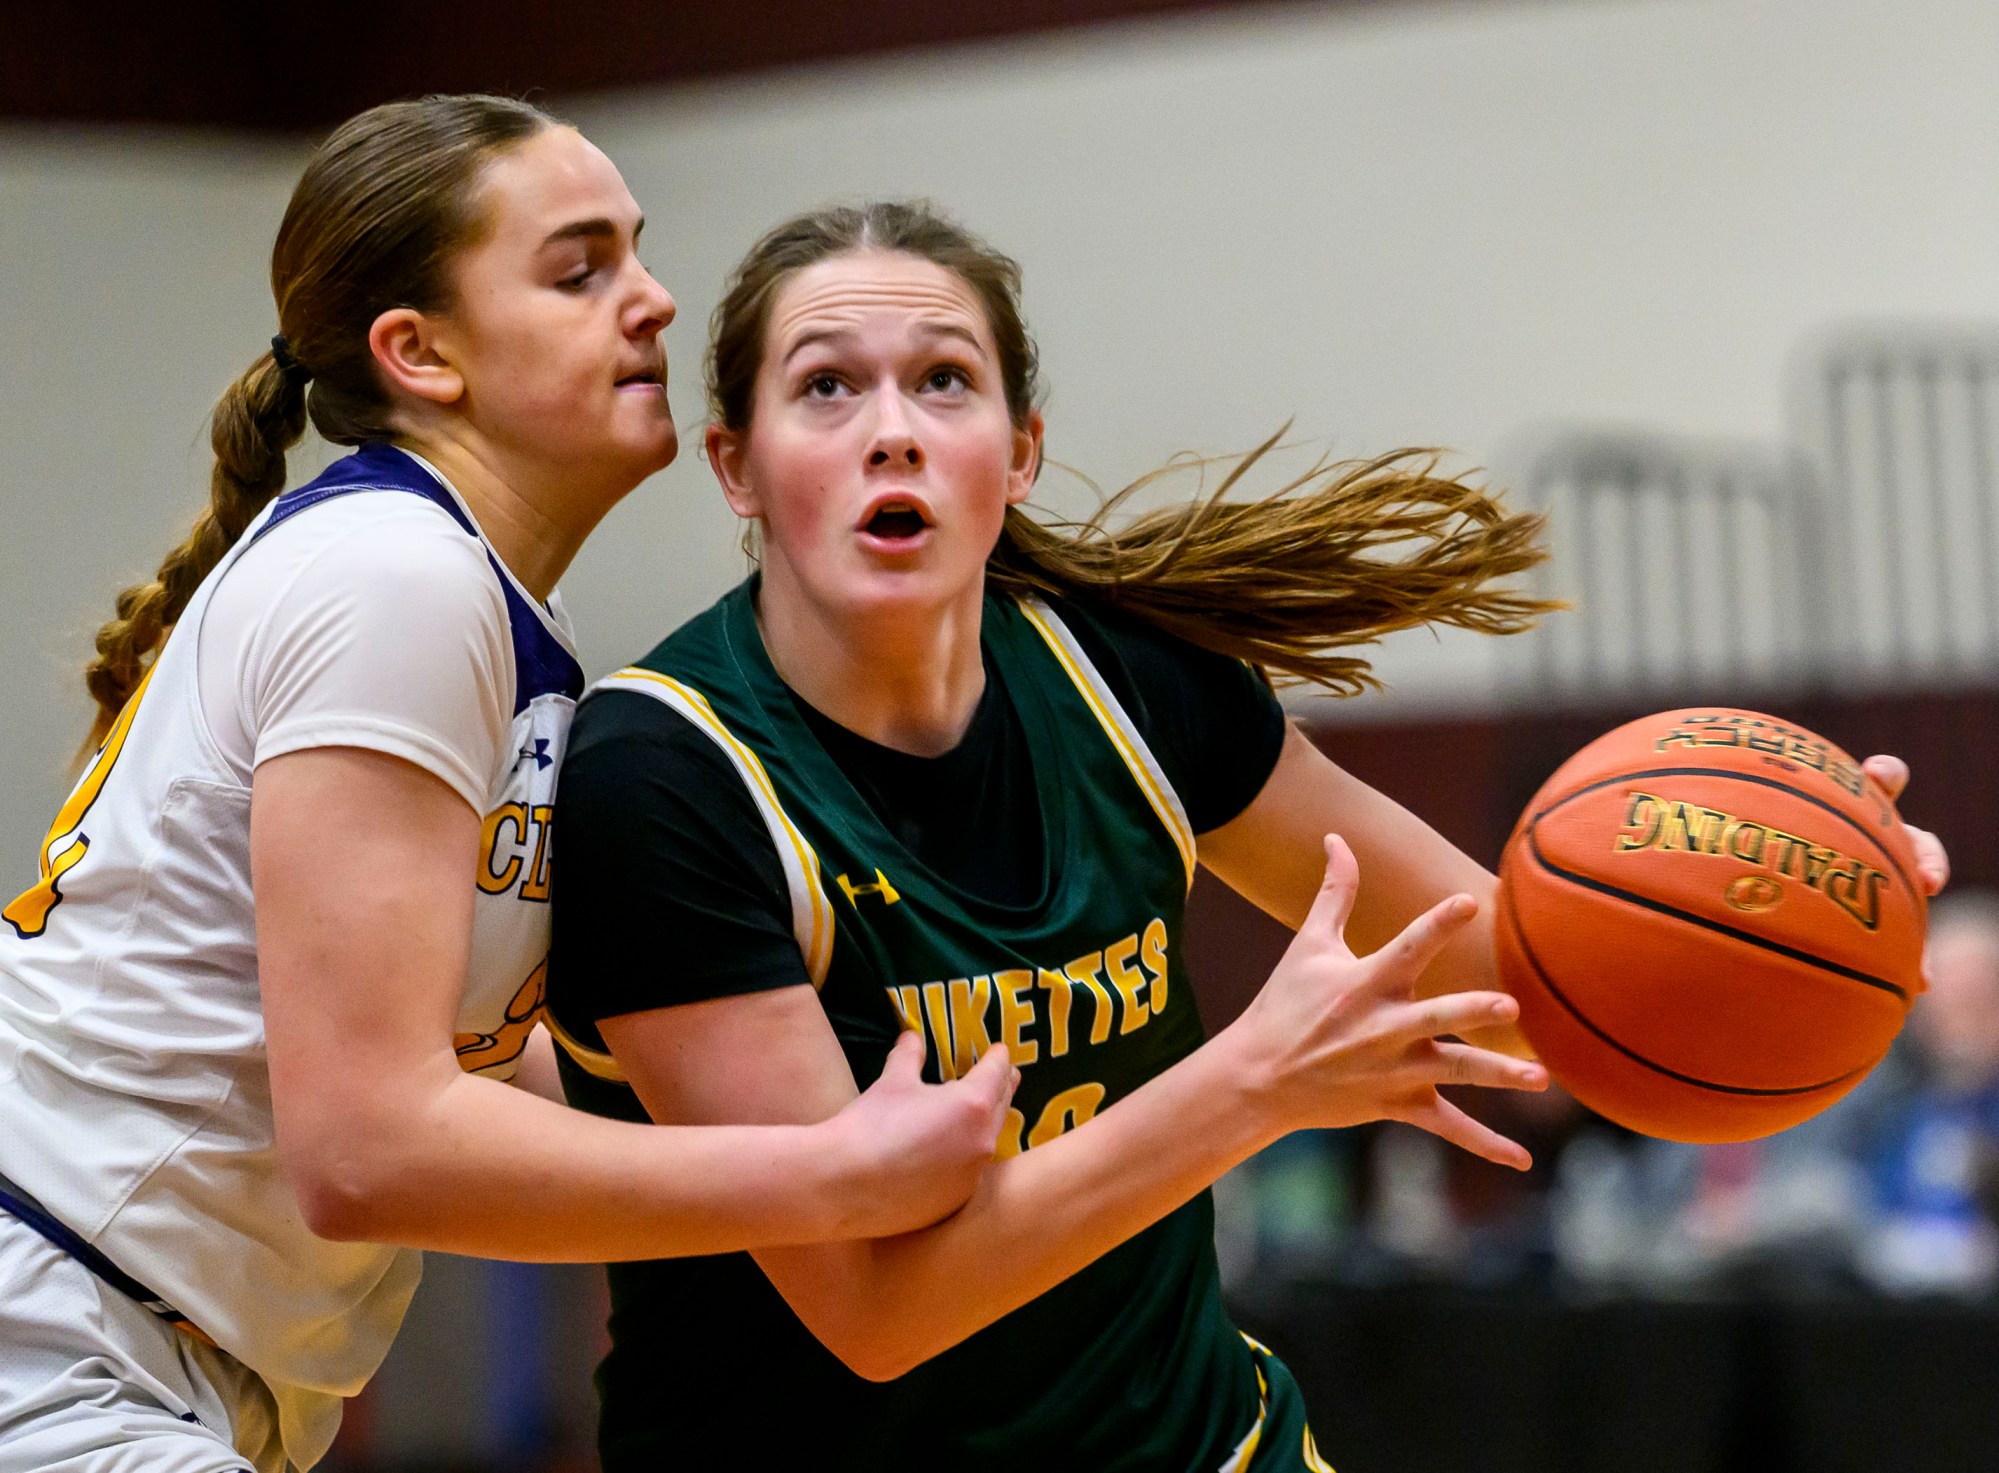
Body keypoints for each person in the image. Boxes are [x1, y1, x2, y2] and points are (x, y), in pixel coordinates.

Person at [0, 105, 1023, 1473]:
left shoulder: (459, 596)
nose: (653, 299)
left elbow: (483, 1071)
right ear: (419, 355)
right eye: (579, 267)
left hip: (134, 1346)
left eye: (636, 254)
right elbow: (366, 1145)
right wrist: (827, 1171)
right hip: (56, 1334)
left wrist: (800, 1105)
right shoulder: (397, 579)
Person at [546, 200, 1553, 1472]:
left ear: (1017, 453)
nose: (893, 433)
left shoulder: (1125, 681)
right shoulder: (662, 779)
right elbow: (879, 1306)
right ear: (736, 465)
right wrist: (1250, 1088)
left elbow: (1514, 974)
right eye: (828, 389)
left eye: (944, 382)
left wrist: (1802, 899)